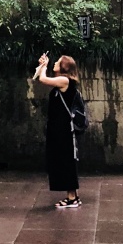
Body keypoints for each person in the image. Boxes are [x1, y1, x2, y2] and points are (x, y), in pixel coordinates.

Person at [33, 52, 82, 208]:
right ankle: (72, 196)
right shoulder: (61, 81)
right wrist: (43, 65)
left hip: (64, 130)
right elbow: (41, 78)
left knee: (66, 161)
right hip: (59, 129)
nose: (55, 63)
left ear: (64, 67)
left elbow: (42, 79)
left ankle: (72, 198)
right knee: (62, 161)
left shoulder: (64, 80)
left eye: (58, 62)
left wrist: (44, 67)